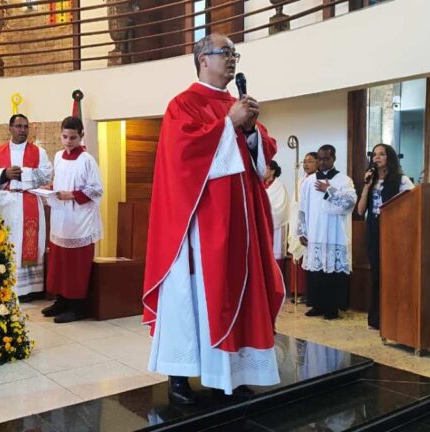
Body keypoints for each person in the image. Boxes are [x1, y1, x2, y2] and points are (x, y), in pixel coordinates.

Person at [142, 33, 286, 404]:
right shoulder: (183, 104)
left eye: (235, 53)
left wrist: (250, 131)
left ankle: (232, 374)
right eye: (226, 52)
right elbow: (182, 156)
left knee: (239, 291)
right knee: (192, 294)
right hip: (200, 223)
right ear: (203, 58)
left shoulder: (236, 105)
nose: (232, 58)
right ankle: (179, 375)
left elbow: (262, 160)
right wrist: (227, 124)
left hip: (241, 222)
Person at [41, 116, 103, 323]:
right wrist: (50, 188)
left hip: (80, 220)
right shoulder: (58, 156)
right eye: (65, 137)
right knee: (59, 261)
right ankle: (62, 301)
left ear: (81, 136)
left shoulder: (87, 160)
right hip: (61, 218)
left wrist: (71, 195)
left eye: (73, 138)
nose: (68, 141)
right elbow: (60, 181)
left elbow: (96, 190)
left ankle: (77, 306)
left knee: (76, 264)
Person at [0, 114, 52, 302]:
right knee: (8, 242)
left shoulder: (39, 152)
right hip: (6, 203)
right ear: (10, 128)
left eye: (25, 126)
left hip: (29, 200)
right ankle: (5, 284)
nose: (22, 130)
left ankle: (30, 289)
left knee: (30, 242)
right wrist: (4, 174)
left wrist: (22, 174)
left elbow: (46, 175)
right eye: (18, 126)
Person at [356, 144, 414, 330]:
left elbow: (413, 203)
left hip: (393, 231)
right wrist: (366, 186)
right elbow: (360, 211)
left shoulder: (401, 180)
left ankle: (392, 317)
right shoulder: (370, 180)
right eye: (374, 154)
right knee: (376, 275)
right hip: (373, 230)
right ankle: (376, 318)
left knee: (391, 275)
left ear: (390, 157)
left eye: (382, 154)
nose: (377, 157)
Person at [297, 144, 356, 320]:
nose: (322, 162)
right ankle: (318, 305)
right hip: (315, 232)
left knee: (333, 271)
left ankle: (332, 307)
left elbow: (349, 203)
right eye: (320, 159)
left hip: (335, 233)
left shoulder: (344, 180)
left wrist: (328, 190)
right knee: (316, 271)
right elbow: (302, 208)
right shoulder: (309, 182)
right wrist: (302, 231)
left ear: (333, 159)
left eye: (326, 159)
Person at [286, 151, 319, 301]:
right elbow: (294, 204)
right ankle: (297, 291)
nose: (305, 164)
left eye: (310, 161)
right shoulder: (299, 181)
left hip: (311, 225)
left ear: (318, 163)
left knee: (308, 256)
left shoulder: (318, 180)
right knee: (297, 256)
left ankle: (309, 293)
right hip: (296, 223)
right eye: (304, 161)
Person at [263, 160, 289, 263]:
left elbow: (280, 209)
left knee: (274, 258)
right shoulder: (258, 185)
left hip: (275, 227)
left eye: (265, 168)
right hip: (260, 225)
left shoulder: (279, 187)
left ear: (272, 171)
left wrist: (264, 211)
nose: (262, 170)